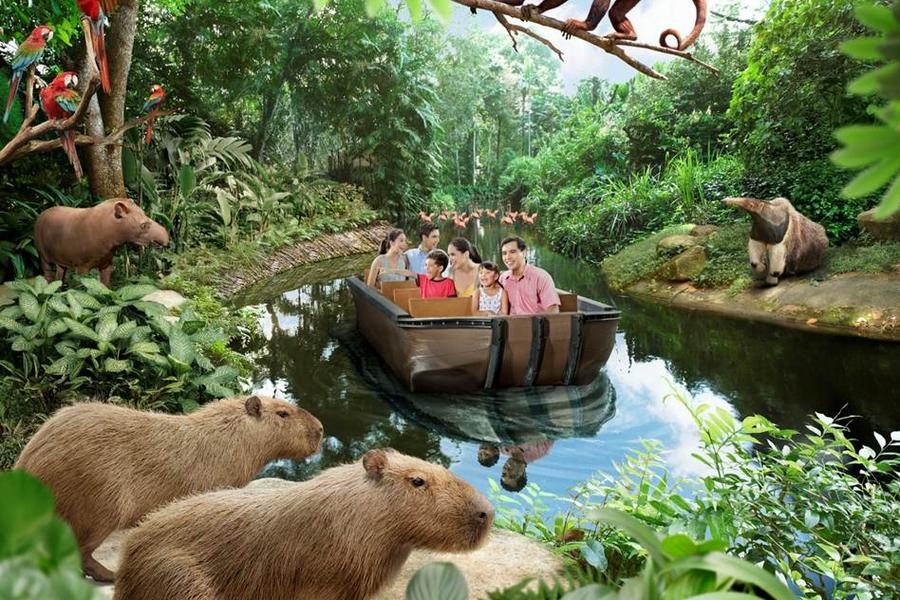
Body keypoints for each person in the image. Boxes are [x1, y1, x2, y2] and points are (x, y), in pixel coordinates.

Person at [499, 236, 560, 315]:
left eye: (512, 252)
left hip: (534, 325)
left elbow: (553, 308)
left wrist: (537, 325)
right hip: (509, 325)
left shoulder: (541, 277)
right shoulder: (503, 278)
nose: (507, 257)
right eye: (504, 253)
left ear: (524, 252)